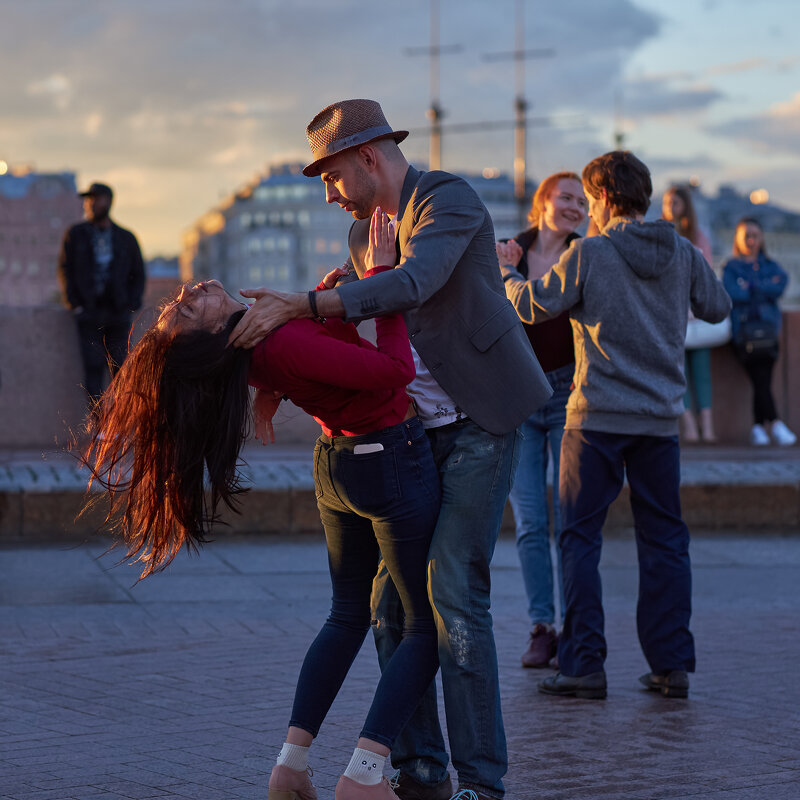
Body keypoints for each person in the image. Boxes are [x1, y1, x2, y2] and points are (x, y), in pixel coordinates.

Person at [228, 99, 553, 800]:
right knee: (385, 605)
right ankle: (418, 767)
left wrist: (300, 306)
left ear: (369, 157)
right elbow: (367, 330)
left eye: (331, 174)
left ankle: (481, 782)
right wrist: (279, 380)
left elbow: (411, 285)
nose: (327, 191)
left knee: (454, 594)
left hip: (480, 419)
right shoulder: (359, 237)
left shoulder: (447, 200)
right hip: (411, 433)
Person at [83, 209, 443, 800]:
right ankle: (365, 774)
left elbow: (314, 354)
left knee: (347, 616)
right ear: (212, 339)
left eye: (180, 299)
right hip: (388, 462)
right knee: (424, 626)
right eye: (187, 310)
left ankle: (290, 766)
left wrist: (323, 298)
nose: (190, 290)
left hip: (340, 465)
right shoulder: (276, 339)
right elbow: (393, 372)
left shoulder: (261, 343)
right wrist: (385, 284)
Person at [497, 151, 732, 700]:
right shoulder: (678, 250)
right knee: (666, 541)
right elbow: (718, 307)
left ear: (601, 199)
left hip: (595, 419)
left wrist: (507, 272)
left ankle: (582, 666)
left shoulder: (592, 254)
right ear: (643, 196)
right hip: (659, 422)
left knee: (579, 539)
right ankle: (671, 666)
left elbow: (533, 306)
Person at [494, 172, 587, 668]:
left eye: (582, 201)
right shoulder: (508, 251)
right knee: (531, 518)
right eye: (566, 197)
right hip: (521, 397)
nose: (575, 207)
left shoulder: (586, 255)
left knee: (568, 512)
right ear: (543, 202)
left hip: (571, 392)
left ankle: (575, 627)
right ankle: (541, 627)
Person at [57, 182, 145, 406]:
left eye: (95, 198)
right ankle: (99, 427)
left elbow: (138, 272)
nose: (90, 204)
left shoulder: (126, 238)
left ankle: (119, 424)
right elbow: (65, 268)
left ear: (108, 201)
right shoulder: (76, 234)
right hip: (88, 312)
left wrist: (131, 304)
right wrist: (74, 303)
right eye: (88, 200)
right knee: (93, 368)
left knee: (121, 369)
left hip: (118, 313)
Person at [722, 217, 796, 446]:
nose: (751, 241)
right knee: (761, 377)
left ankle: (758, 428)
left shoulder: (769, 264)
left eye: (755, 235)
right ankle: (775, 423)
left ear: (761, 238)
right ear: (738, 239)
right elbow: (732, 293)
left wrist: (751, 286)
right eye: (746, 236)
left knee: (761, 379)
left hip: (768, 330)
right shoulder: (732, 267)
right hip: (744, 333)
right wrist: (763, 286)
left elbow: (781, 284)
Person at [662, 185, 718, 443]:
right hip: (670, 315)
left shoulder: (698, 235)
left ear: (685, 205)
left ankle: (707, 428)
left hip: (694, 312)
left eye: (675, 202)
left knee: (701, 372)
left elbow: (706, 274)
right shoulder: (660, 232)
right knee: (678, 373)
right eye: (667, 201)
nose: (670, 206)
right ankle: (690, 428)